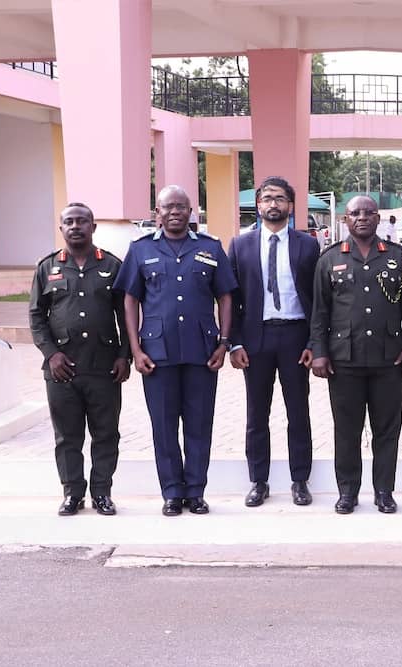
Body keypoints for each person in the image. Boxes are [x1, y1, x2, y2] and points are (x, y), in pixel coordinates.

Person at [115, 185, 237, 517]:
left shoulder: (211, 248)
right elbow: (129, 299)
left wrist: (224, 343)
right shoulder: (140, 250)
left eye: (181, 206)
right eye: (167, 207)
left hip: (202, 350)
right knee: (164, 425)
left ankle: (195, 491)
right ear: (157, 212)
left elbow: (226, 295)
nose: (174, 212)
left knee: (199, 424)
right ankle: (171, 492)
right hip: (157, 352)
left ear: (191, 211)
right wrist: (135, 349)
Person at [309, 195, 402, 515]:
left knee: (387, 429)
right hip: (344, 359)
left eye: (368, 213)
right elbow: (320, 312)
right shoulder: (329, 259)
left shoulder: (398, 257)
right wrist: (319, 352)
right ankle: (347, 492)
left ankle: (384, 491)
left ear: (378, 218)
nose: (362, 218)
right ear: (345, 220)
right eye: (354, 213)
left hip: (390, 359)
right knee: (347, 430)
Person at [29, 202, 130, 516]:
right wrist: (51, 354)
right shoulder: (47, 267)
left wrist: (124, 355)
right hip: (62, 370)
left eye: (82, 221)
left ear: (93, 227)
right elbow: (36, 316)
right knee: (67, 436)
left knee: (106, 433)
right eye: (69, 222)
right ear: (61, 228)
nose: (75, 226)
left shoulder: (112, 266)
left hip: (104, 367)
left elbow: (126, 315)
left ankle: (102, 493)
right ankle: (73, 493)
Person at [228, 177, 320, 508]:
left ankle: (300, 480)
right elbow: (231, 299)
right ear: (258, 204)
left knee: (298, 412)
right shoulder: (240, 246)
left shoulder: (307, 245)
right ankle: (259, 481)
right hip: (256, 338)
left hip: (296, 336)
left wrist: (314, 342)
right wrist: (234, 343)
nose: (273, 204)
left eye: (280, 198)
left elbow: (318, 299)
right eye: (267, 198)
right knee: (257, 413)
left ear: (290, 206)